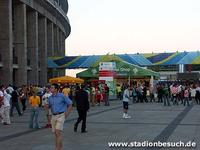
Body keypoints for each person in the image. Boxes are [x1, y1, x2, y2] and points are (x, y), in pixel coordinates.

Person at [48, 83, 72, 150]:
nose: (50, 89)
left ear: (56, 89)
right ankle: (60, 148)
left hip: (61, 115)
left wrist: (66, 114)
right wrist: (47, 107)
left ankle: (57, 148)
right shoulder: (50, 98)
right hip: (53, 116)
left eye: (52, 87)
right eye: (50, 87)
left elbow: (70, 104)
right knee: (56, 134)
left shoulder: (62, 96)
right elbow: (50, 106)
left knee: (57, 132)